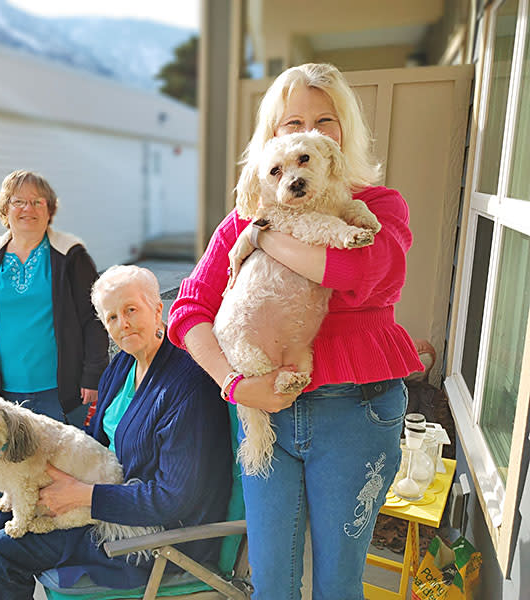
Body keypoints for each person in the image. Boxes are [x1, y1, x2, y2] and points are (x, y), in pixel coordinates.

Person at [168, 63, 425, 600]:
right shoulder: (247, 211)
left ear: (341, 133)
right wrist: (234, 384)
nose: (307, 130)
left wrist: (264, 238)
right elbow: (188, 310)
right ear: (273, 136)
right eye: (292, 122)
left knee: (338, 584)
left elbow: (356, 272)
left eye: (324, 120)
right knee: (271, 585)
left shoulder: (378, 206)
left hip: (355, 409)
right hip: (265, 410)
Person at [0, 265, 233, 599]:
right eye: (111, 317)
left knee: (3, 550)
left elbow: (175, 499)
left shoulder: (186, 385)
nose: (122, 324)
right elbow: (93, 442)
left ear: (157, 310)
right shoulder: (124, 364)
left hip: (154, 536)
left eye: (131, 310)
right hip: (108, 500)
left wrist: (81, 495)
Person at [0, 169, 109, 579]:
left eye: (37, 202)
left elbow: (95, 320)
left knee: (64, 474)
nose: (28, 209)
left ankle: (73, 560)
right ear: (5, 210)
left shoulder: (69, 254)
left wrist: (93, 375)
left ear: (50, 210)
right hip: (3, 398)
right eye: (18, 202)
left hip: (62, 394)